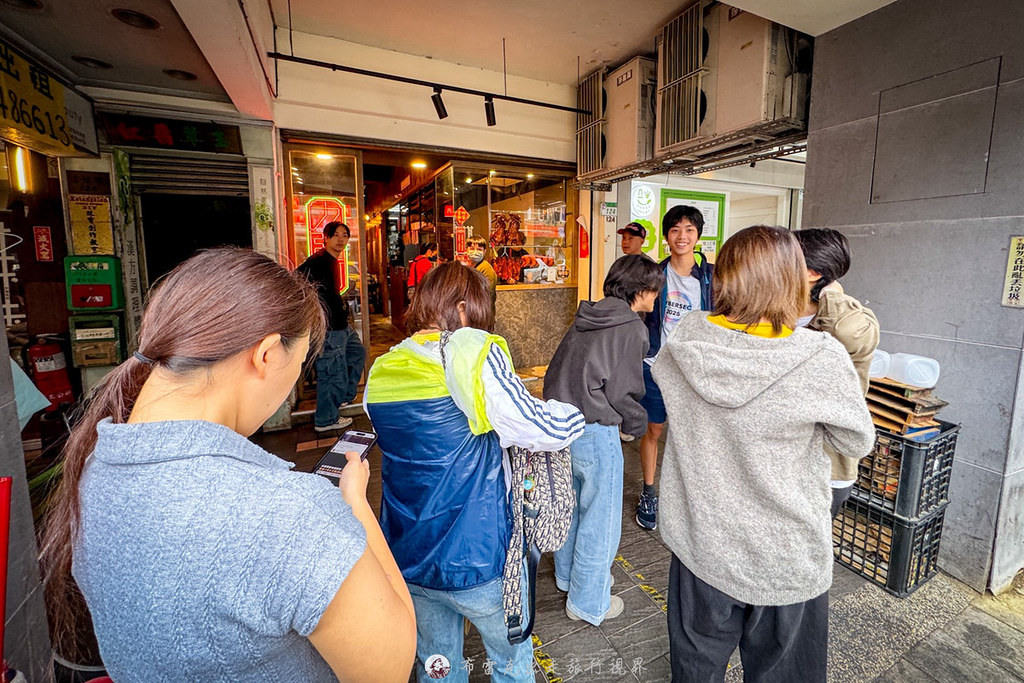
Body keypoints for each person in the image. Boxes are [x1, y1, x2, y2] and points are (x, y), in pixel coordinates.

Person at [40, 248, 416, 682]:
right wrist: (355, 502)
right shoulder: (288, 513)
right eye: (298, 367)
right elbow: (389, 666)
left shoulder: (95, 467)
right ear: (268, 354)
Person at [654, 226, 875, 682]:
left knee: (696, 672)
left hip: (702, 546)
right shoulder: (819, 357)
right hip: (786, 556)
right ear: (797, 279)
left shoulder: (686, 342)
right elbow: (856, 441)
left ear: (723, 278)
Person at [365, 262, 584, 683]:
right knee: (510, 663)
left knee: (437, 667)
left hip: (408, 556)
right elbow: (537, 427)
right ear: (464, 309)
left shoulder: (382, 369)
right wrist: (575, 417)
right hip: (480, 557)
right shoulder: (472, 351)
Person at [543, 255, 664, 624]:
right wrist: (637, 422)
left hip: (562, 427)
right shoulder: (631, 328)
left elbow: (556, 370)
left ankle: (568, 578)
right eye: (655, 289)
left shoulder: (588, 316)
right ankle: (588, 601)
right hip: (597, 431)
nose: (657, 296)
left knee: (571, 509)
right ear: (641, 291)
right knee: (601, 520)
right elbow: (624, 392)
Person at [635, 205, 714, 530]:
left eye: (689, 230)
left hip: (694, 369)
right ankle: (649, 491)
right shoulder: (656, 273)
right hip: (657, 364)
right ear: (667, 236)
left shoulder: (710, 276)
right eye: (675, 230)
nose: (682, 236)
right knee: (654, 430)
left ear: (698, 235)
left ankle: (685, 493)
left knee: (690, 434)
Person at [795, 228, 880, 517]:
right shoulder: (780, 313)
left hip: (827, 465)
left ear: (813, 272)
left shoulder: (849, 319)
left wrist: (832, 292)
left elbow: (849, 333)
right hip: (788, 459)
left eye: (786, 258)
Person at [296, 221, 366, 432]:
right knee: (330, 372)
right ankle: (326, 419)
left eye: (345, 235)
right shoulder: (317, 261)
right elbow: (295, 279)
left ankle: (344, 396)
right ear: (326, 238)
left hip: (341, 325)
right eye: (336, 235)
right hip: (329, 328)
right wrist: (315, 312)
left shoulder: (332, 261)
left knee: (357, 353)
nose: (341, 239)